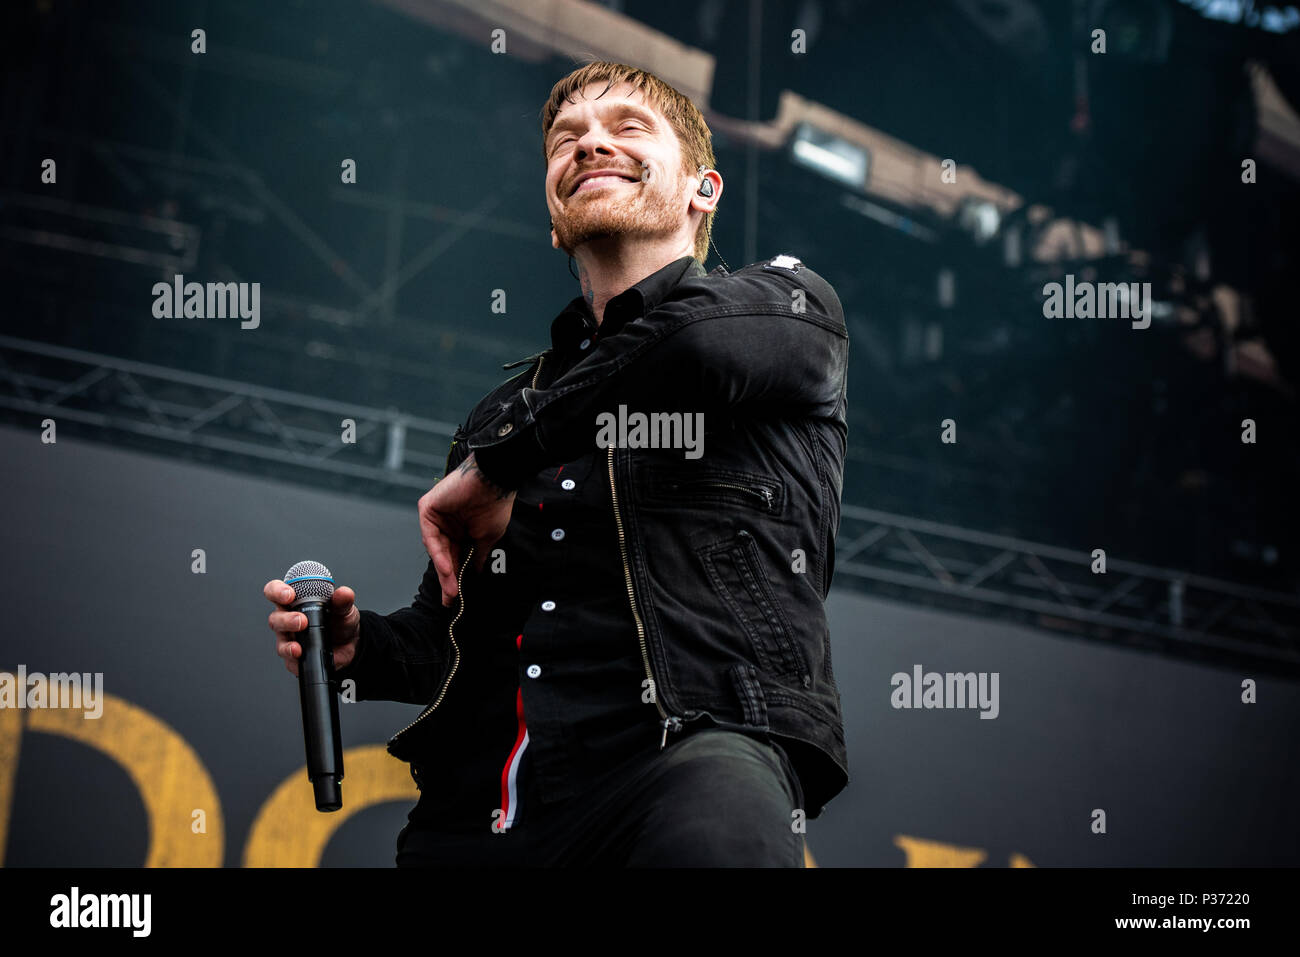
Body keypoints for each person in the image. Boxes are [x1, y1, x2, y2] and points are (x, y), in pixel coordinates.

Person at [265, 59, 849, 867]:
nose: (589, 144)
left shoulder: (790, 310)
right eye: (566, 139)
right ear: (553, 214)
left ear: (702, 190)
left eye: (626, 127)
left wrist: (506, 458)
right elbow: (450, 638)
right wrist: (359, 648)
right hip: (487, 807)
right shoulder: (500, 417)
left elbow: (690, 342)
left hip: (693, 755)